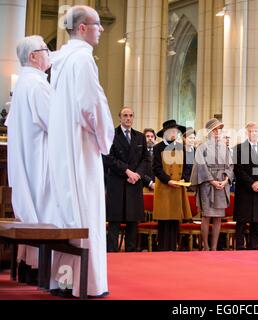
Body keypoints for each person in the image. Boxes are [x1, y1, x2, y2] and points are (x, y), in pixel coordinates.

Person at [48, 5, 114, 298]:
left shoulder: (61, 61)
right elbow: (91, 106)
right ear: (83, 28)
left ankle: (64, 282)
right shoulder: (83, 60)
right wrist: (105, 136)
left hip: (64, 147)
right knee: (86, 212)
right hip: (82, 147)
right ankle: (87, 284)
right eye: (97, 24)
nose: (102, 29)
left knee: (68, 215)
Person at [6, 35, 52, 284]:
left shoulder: (24, 84)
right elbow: (55, 123)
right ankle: (38, 269)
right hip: (39, 162)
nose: (49, 53)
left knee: (31, 211)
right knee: (42, 212)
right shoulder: (36, 85)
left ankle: (28, 265)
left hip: (27, 163)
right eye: (45, 49)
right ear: (33, 56)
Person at [104, 107, 148, 252]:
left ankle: (131, 252)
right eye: (125, 115)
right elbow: (108, 158)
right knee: (114, 221)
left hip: (134, 183)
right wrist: (127, 171)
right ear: (120, 117)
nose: (128, 118)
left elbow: (145, 159)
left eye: (130, 115)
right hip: (117, 182)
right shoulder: (111, 135)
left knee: (132, 221)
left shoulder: (140, 137)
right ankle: (111, 252)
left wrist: (137, 174)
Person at [191, 118, 234, 251]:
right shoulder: (202, 147)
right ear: (208, 132)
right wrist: (211, 181)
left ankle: (214, 247)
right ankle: (206, 246)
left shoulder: (225, 148)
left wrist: (226, 180)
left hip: (222, 185)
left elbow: (230, 165)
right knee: (207, 216)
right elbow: (201, 166)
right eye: (214, 129)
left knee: (218, 218)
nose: (217, 132)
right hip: (207, 185)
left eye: (219, 129)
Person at [152, 120, 192, 251]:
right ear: (165, 133)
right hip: (164, 187)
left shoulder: (182, 147)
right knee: (164, 219)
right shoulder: (158, 148)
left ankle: (173, 248)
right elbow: (156, 168)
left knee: (175, 219)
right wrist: (168, 180)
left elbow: (187, 167)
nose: (174, 133)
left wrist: (183, 179)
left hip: (178, 188)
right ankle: (162, 247)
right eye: (172, 131)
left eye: (176, 131)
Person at [233, 122, 258, 250]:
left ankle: (254, 246)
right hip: (245, 190)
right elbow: (238, 170)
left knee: (257, 222)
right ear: (246, 133)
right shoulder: (238, 148)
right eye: (250, 131)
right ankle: (239, 246)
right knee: (242, 221)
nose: (253, 133)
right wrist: (251, 183)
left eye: (255, 131)